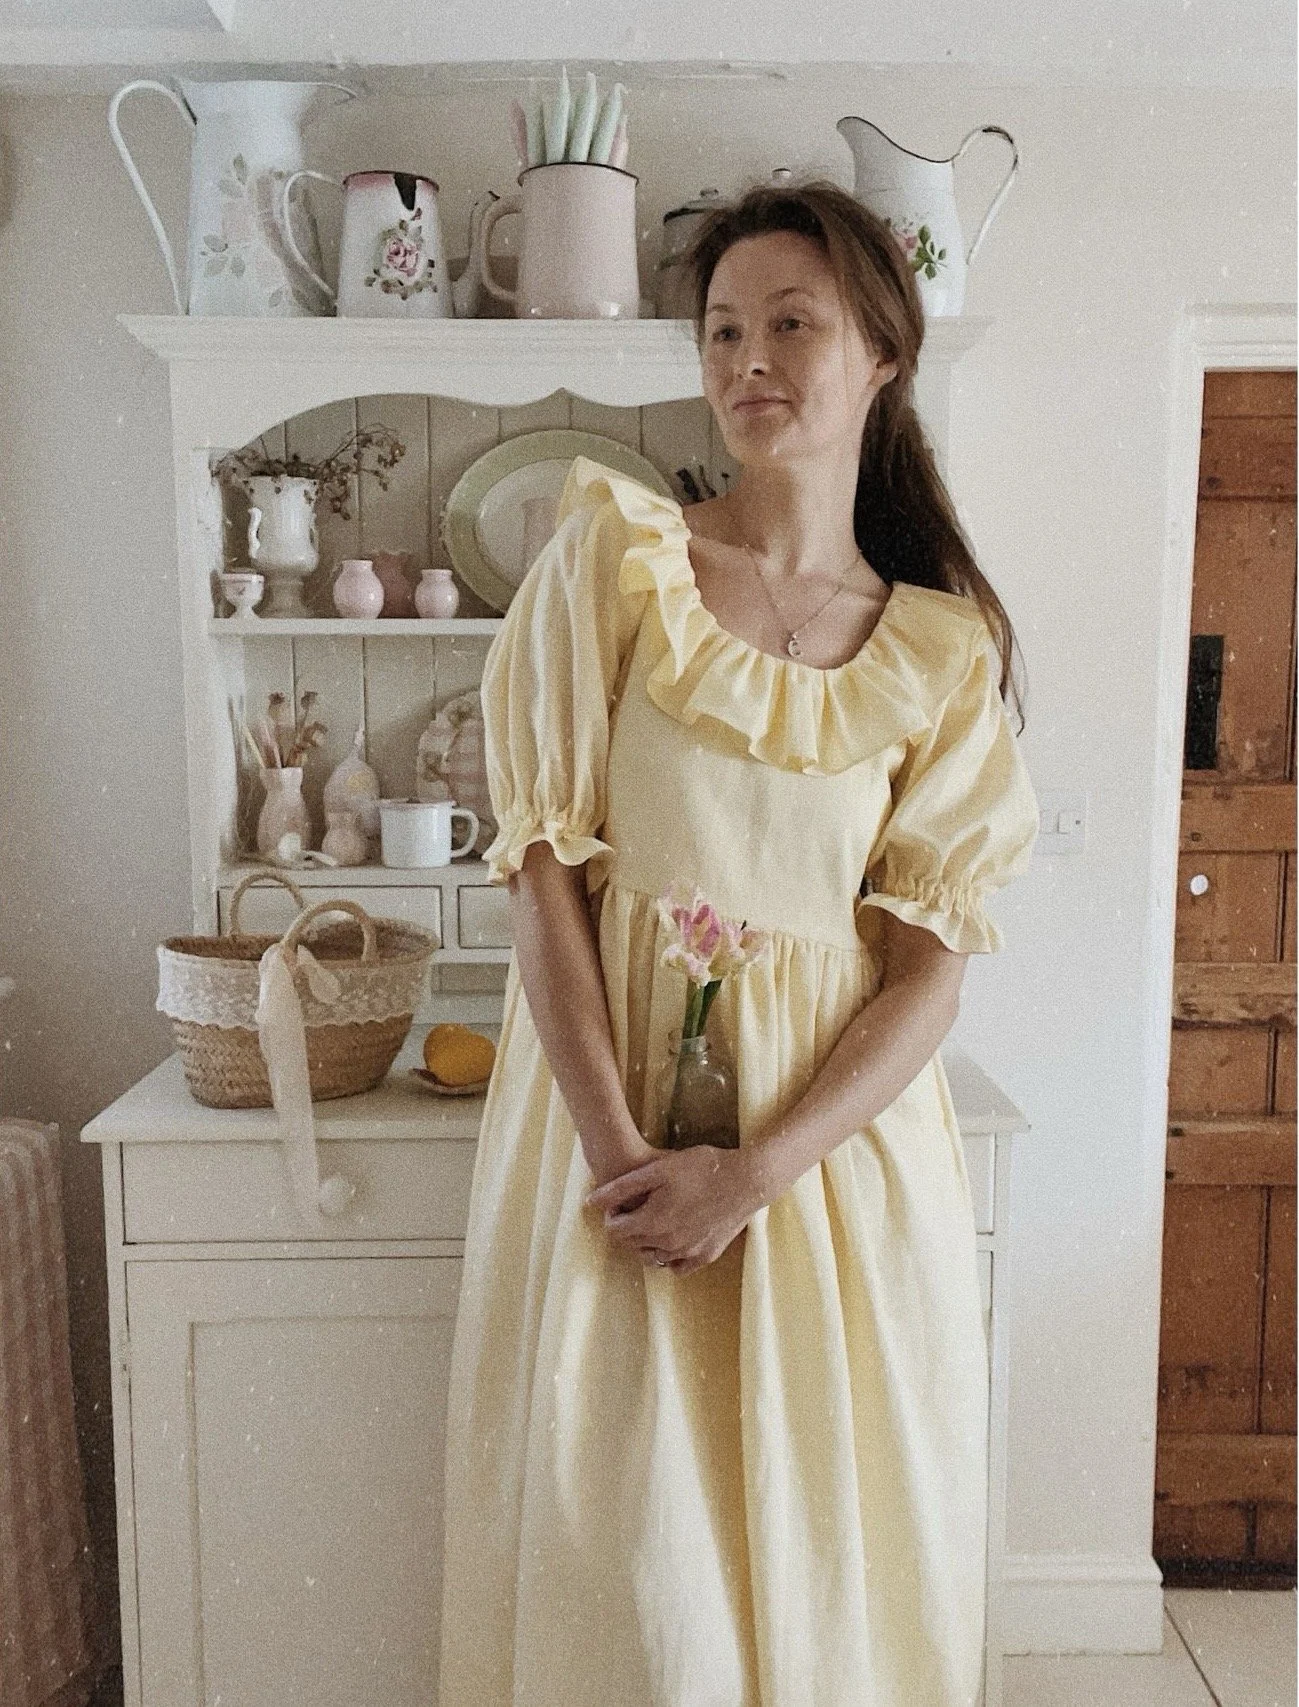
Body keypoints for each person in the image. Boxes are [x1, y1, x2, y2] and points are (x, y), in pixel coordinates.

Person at [437, 175, 1040, 1707]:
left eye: (791, 323)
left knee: (833, 1570)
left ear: (882, 355)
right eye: (721, 328)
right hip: (616, 1146)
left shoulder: (942, 647)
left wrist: (758, 1171)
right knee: (632, 1590)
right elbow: (544, 880)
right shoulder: (614, 559)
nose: (748, 358)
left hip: (826, 1173)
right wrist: (622, 1157)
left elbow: (927, 971)